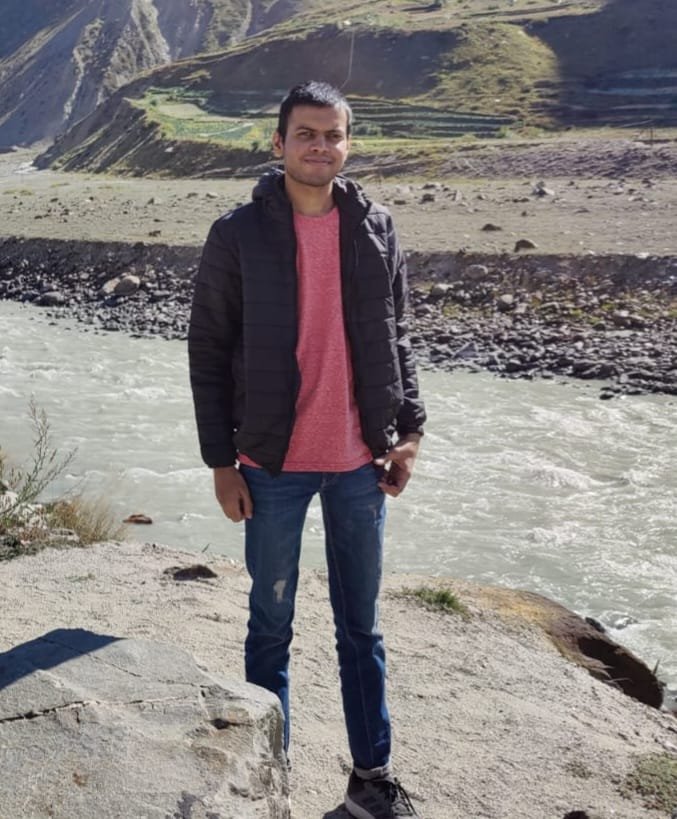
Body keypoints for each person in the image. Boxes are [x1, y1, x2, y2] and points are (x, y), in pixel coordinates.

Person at [188, 80, 426, 819]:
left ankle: (371, 781)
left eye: (333, 134)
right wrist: (221, 463)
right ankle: (271, 780)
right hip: (271, 465)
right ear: (278, 143)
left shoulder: (375, 227)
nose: (320, 146)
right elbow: (207, 351)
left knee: (362, 628)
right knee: (270, 626)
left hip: (360, 462)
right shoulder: (237, 234)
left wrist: (409, 434)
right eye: (306, 134)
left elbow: (398, 337)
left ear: (347, 143)